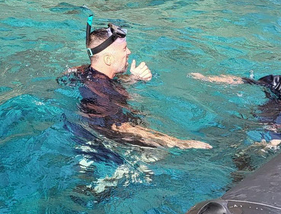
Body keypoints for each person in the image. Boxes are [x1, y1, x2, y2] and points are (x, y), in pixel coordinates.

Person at [60, 18, 211, 150]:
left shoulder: (83, 72)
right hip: (102, 149)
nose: (129, 52)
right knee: (158, 154)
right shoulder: (103, 94)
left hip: (82, 134)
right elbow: (121, 128)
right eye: (124, 49)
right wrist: (179, 143)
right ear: (108, 60)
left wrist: (133, 79)